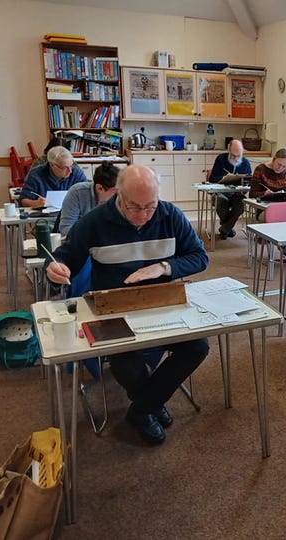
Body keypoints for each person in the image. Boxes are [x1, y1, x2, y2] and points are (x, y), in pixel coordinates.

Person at [45, 164, 210, 445]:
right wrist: (55, 268)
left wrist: (163, 267)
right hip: (112, 308)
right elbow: (64, 258)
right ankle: (150, 405)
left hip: (161, 304)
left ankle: (142, 408)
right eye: (134, 207)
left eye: (150, 206)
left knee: (198, 346)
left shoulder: (171, 215)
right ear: (118, 195)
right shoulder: (95, 221)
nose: (144, 216)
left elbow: (200, 257)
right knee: (124, 357)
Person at [58, 161, 119, 236]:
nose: (119, 195)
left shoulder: (120, 197)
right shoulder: (77, 192)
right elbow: (66, 228)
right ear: (100, 188)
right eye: (115, 191)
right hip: (83, 242)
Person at [208, 139, 252, 239]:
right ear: (229, 150)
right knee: (221, 202)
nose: (236, 158)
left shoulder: (245, 162)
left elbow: (248, 182)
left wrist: (242, 189)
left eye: (239, 155)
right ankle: (228, 228)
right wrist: (224, 178)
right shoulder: (221, 159)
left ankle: (224, 229)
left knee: (240, 206)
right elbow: (212, 179)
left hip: (237, 194)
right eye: (233, 155)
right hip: (220, 192)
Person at [19, 146, 87, 208]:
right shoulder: (36, 175)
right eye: (65, 168)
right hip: (45, 217)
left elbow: (87, 195)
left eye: (71, 166)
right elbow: (23, 200)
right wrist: (36, 203)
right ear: (52, 165)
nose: (70, 171)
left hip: (72, 214)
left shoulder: (76, 173)